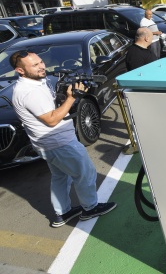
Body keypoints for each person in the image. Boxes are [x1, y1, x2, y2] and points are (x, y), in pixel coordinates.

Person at [10, 51, 117, 228]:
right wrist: (71, 98)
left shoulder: (34, 84)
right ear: (20, 71)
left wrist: (64, 98)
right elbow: (51, 120)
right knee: (85, 173)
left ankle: (63, 212)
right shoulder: (29, 92)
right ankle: (90, 208)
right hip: (59, 143)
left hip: (48, 144)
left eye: (41, 62)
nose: (41, 66)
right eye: (34, 65)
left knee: (60, 177)